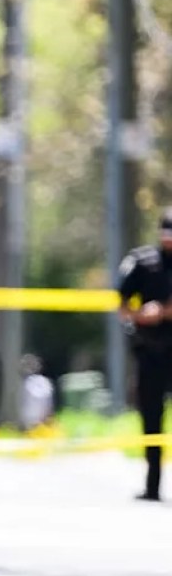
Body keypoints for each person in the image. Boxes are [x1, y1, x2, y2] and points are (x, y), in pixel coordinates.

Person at [117, 207, 172, 501]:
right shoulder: (143, 262)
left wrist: (165, 311)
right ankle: (153, 485)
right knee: (151, 418)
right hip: (151, 352)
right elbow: (122, 306)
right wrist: (142, 315)